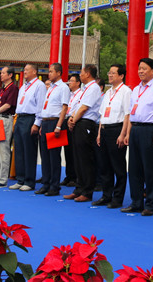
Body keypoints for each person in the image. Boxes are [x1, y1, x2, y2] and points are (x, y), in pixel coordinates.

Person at [122, 58, 153, 216]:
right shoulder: (135, 89)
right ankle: (136, 202)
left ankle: (149, 204)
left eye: (144, 68)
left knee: (150, 169)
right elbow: (130, 113)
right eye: (139, 68)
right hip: (135, 129)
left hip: (150, 130)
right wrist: (128, 132)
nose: (141, 71)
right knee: (134, 169)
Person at [94, 63, 131, 208]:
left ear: (121, 76)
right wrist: (99, 133)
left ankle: (117, 198)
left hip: (117, 130)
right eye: (109, 73)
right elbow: (102, 114)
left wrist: (123, 134)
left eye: (113, 73)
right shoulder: (108, 92)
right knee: (104, 166)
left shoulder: (126, 91)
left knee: (118, 166)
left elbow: (127, 114)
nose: (109, 75)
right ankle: (106, 195)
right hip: (104, 130)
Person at [64, 64, 102, 202]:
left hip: (86, 123)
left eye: (81, 73)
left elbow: (85, 108)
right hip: (79, 121)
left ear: (88, 74)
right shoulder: (85, 89)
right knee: (77, 158)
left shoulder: (93, 88)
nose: (80, 75)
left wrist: (74, 119)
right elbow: (78, 106)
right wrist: (72, 118)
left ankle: (87, 191)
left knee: (86, 159)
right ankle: (79, 188)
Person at [11, 64, 46, 191]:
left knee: (29, 150)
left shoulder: (39, 85)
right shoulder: (23, 86)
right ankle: (20, 179)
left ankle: (29, 181)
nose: (24, 72)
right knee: (19, 149)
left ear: (34, 72)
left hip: (30, 118)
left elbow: (40, 105)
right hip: (20, 117)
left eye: (27, 70)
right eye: (24, 69)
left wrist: (37, 123)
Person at [37, 63, 70, 196]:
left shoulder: (63, 88)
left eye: (51, 72)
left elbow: (64, 108)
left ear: (58, 73)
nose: (49, 74)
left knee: (54, 156)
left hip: (55, 123)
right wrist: (40, 124)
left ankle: (54, 186)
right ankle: (46, 183)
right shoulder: (49, 88)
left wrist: (58, 125)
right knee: (44, 155)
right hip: (45, 122)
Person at [61, 74, 81, 187]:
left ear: (78, 83)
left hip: (74, 122)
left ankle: (75, 177)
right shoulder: (69, 94)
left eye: (72, 81)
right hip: (65, 121)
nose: (70, 83)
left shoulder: (80, 94)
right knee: (67, 151)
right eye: (69, 81)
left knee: (74, 151)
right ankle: (68, 176)